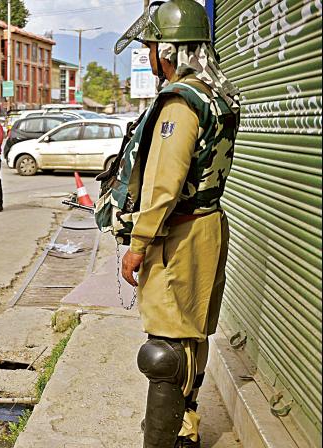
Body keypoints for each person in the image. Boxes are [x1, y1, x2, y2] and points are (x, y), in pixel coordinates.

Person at [113, 1, 241, 446]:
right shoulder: (219, 93)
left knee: (164, 349)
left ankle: (162, 441)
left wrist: (138, 244)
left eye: (150, 46)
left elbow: (164, 186)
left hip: (180, 231)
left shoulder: (182, 102)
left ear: (167, 49)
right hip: (208, 222)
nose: (149, 56)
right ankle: (186, 428)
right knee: (192, 335)